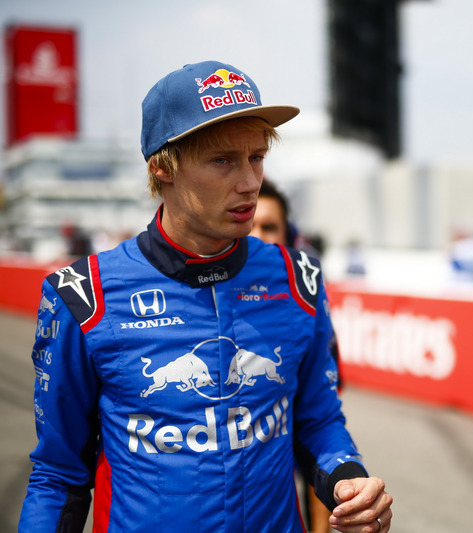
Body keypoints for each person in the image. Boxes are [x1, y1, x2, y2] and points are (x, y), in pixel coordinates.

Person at [19, 60, 392, 533]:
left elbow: (317, 419)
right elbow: (58, 476)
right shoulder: (83, 295)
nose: (250, 182)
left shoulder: (299, 278)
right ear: (162, 168)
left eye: (256, 157)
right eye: (223, 161)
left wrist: (347, 479)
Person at [250, 177, 337, 533]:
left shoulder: (308, 300)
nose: (257, 236)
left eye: (269, 227)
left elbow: (318, 434)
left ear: (289, 235)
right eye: (249, 223)